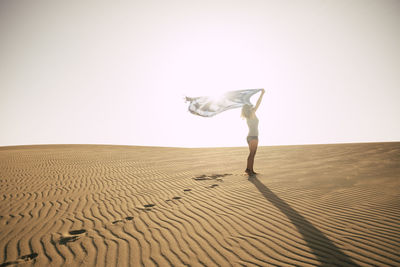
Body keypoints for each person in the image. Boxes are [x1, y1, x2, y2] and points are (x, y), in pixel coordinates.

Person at [241, 89, 265, 175]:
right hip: (254, 137)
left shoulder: (247, 115)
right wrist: (262, 94)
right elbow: (258, 103)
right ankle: (248, 169)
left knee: (252, 153)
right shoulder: (252, 113)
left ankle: (250, 169)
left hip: (249, 137)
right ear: (249, 108)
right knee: (252, 154)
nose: (252, 106)